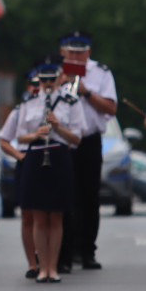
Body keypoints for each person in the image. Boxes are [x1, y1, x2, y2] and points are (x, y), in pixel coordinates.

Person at [20, 56, 85, 283]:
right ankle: (41, 267)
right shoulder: (29, 102)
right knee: (38, 217)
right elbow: (20, 135)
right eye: (43, 80)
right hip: (36, 156)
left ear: (59, 78)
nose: (47, 84)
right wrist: (36, 134)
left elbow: (77, 138)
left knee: (56, 216)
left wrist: (57, 127)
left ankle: (52, 267)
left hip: (59, 156)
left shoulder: (70, 102)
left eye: (51, 79)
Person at [57, 30, 117, 272]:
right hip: (62, 140)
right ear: (63, 52)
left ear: (88, 52)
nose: (76, 55)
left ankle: (87, 250)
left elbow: (111, 108)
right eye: (71, 51)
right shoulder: (54, 71)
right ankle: (65, 252)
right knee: (64, 197)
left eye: (80, 51)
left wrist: (86, 92)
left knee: (89, 197)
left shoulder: (100, 73)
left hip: (89, 140)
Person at [0, 70, 44, 279]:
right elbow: (4, 140)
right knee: (27, 216)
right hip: (27, 161)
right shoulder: (20, 109)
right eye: (32, 84)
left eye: (40, 83)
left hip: (47, 162)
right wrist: (20, 156)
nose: (36, 87)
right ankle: (32, 263)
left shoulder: (54, 106)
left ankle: (48, 259)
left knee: (47, 214)